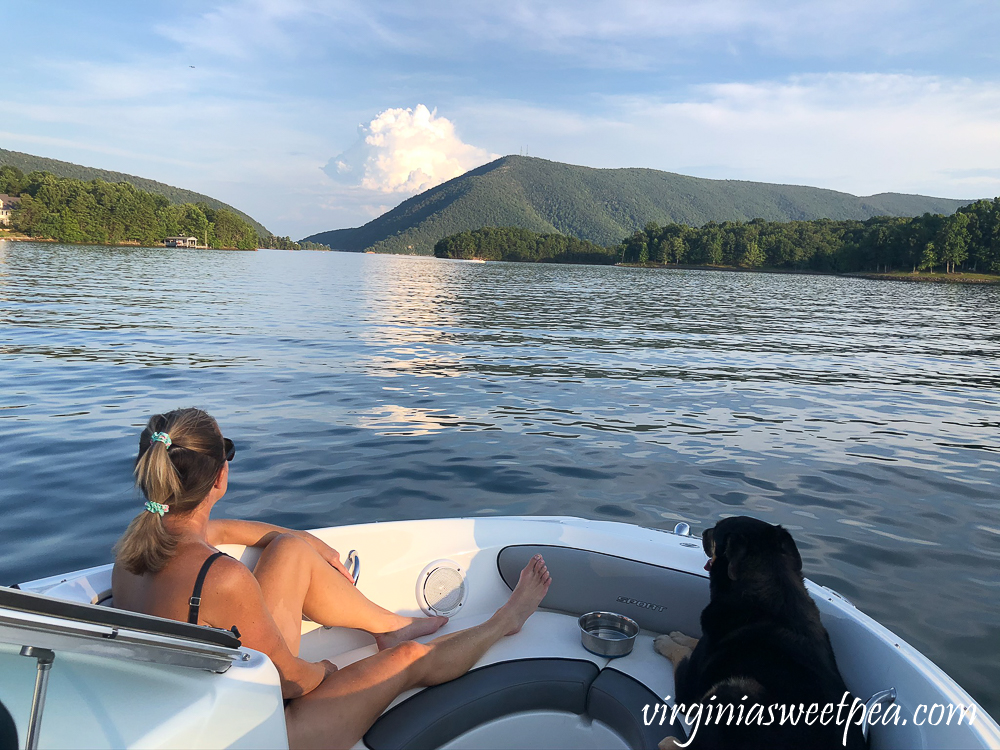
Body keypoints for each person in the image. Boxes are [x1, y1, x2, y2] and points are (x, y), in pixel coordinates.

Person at [111, 408, 551, 750]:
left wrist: (299, 537)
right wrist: (328, 669)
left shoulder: (133, 550)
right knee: (410, 659)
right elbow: (290, 683)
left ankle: (392, 628)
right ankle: (503, 623)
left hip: (201, 715)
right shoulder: (220, 577)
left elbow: (220, 530)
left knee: (291, 551)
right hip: (259, 734)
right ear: (221, 477)